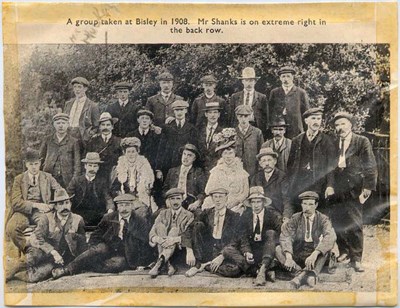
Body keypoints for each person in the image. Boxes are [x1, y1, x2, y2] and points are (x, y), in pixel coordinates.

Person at [52, 194, 152, 279]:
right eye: (121, 205)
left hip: (126, 252)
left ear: (132, 206)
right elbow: (96, 235)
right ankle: (66, 270)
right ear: (117, 206)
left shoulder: (140, 221)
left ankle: (84, 265)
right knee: (97, 250)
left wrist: (140, 261)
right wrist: (94, 248)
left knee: (117, 264)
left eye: (127, 205)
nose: (124, 209)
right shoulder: (108, 218)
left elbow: (144, 242)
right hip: (108, 246)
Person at [330, 112, 377, 272]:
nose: (340, 128)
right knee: (338, 221)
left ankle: (356, 258)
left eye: (343, 124)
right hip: (337, 188)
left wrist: (368, 187)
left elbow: (370, 165)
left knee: (355, 223)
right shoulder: (334, 142)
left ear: (350, 124)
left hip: (354, 189)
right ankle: (344, 252)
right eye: (337, 125)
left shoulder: (361, 141)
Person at [6, 189, 87, 282]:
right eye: (60, 204)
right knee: (33, 257)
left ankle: (20, 275)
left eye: (67, 203)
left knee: (35, 278)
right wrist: (53, 252)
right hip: (45, 252)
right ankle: (10, 272)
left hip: (64, 258)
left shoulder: (78, 220)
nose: (65, 207)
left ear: (70, 204)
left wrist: (74, 238)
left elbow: (83, 242)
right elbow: (38, 238)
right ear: (55, 206)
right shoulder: (47, 218)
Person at [275, 191, 336, 289]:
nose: (307, 208)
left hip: (314, 252)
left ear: (316, 205)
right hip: (298, 251)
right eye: (305, 204)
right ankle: (304, 274)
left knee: (326, 251)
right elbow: (286, 236)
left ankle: (300, 277)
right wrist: (289, 256)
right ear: (301, 205)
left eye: (311, 204)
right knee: (278, 249)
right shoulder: (295, 218)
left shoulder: (323, 219)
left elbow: (330, 237)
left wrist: (315, 254)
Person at [6, 149, 61, 253]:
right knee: (11, 228)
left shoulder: (48, 177)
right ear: (26, 164)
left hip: (42, 212)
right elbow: (16, 202)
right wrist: (36, 205)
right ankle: (28, 248)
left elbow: (60, 191)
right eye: (31, 164)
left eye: (36, 164)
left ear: (40, 163)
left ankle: (43, 254)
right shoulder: (19, 179)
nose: (34, 167)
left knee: (47, 224)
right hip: (22, 212)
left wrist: (52, 205)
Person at [185, 188, 247, 278]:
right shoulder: (206, 213)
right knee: (198, 225)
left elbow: (236, 240)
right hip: (207, 250)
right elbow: (188, 229)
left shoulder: (234, 216)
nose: (218, 200)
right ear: (212, 199)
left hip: (222, 250)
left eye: (221, 197)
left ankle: (204, 266)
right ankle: (199, 263)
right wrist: (189, 250)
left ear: (226, 198)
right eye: (215, 197)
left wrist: (222, 255)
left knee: (235, 271)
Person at [286, 107, 336, 217]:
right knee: (299, 214)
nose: (316, 122)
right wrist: (290, 184)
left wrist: (330, 185)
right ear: (306, 121)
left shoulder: (327, 141)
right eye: (313, 118)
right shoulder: (297, 140)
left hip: (319, 184)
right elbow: (290, 165)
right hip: (299, 184)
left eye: (319, 119)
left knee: (317, 215)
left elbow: (331, 166)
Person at [235, 187, 282, 285]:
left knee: (271, 233)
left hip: (267, 250)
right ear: (250, 204)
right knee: (230, 252)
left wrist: (273, 246)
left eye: (258, 202)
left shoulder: (272, 215)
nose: (256, 205)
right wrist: (247, 252)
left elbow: (279, 234)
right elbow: (242, 236)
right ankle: (264, 271)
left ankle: (262, 271)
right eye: (253, 202)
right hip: (252, 250)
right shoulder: (245, 216)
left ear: (263, 203)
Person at [148, 188, 195, 278]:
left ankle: (159, 263)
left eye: (178, 198)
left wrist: (173, 240)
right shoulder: (163, 213)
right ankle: (167, 263)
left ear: (182, 199)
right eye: (172, 199)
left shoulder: (189, 215)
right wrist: (159, 239)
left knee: (174, 230)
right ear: (168, 201)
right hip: (162, 245)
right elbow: (152, 232)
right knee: (160, 226)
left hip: (178, 249)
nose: (175, 201)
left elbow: (188, 235)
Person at [201, 128, 249, 214]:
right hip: (218, 201)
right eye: (225, 153)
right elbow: (208, 190)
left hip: (235, 203)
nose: (228, 156)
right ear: (221, 155)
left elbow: (245, 192)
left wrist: (235, 201)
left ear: (235, 154)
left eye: (230, 153)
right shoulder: (216, 170)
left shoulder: (241, 171)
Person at [67, 152, 113, 226]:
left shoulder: (102, 181)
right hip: (79, 213)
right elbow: (68, 196)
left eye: (95, 166)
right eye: (90, 165)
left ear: (98, 168)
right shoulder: (76, 180)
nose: (92, 169)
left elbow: (107, 197)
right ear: (85, 166)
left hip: (97, 214)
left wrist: (110, 209)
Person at [110, 137, 156, 212]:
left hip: (141, 200)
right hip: (123, 199)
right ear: (124, 153)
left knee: (141, 211)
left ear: (137, 152)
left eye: (133, 151)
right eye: (128, 152)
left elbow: (150, 188)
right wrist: (122, 197)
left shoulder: (145, 166)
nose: (131, 154)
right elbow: (114, 188)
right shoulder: (119, 167)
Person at [155, 100, 198, 179]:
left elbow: (193, 149)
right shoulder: (167, 127)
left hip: (184, 163)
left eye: (181, 110)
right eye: (177, 110)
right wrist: (159, 168)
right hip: (168, 164)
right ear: (173, 111)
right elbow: (161, 148)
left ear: (185, 110)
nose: (179, 112)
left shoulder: (191, 128)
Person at [40, 113, 81, 188]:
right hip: (49, 176)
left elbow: (77, 164)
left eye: (63, 123)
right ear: (54, 125)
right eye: (58, 123)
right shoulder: (48, 140)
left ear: (68, 124)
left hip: (67, 179)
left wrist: (74, 181)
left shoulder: (74, 141)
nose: (61, 125)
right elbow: (40, 159)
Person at [269, 66, 310, 138]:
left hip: (296, 131)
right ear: (280, 78)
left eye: (288, 76)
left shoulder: (301, 93)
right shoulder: (274, 92)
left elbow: (306, 114)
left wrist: (306, 132)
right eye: (283, 76)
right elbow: (270, 112)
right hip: (279, 131)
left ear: (293, 77)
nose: (286, 79)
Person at [163, 144, 206, 210]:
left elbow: (202, 192)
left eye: (189, 155)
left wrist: (197, 203)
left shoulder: (198, 172)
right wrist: (167, 200)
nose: (185, 157)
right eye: (184, 154)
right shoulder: (172, 171)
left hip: (190, 205)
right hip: (172, 204)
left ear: (194, 158)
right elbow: (165, 189)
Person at [229, 67, 269, 137]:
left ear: (255, 81)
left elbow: (266, 118)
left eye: (251, 80)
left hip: (255, 130)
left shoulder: (262, 97)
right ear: (242, 81)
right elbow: (231, 117)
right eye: (246, 80)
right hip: (238, 131)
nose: (249, 83)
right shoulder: (235, 97)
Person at [251, 147, 289, 218]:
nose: (267, 164)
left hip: (277, 214)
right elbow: (252, 199)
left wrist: (286, 217)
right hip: (259, 213)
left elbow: (287, 200)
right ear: (260, 163)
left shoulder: (282, 177)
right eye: (264, 161)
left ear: (275, 161)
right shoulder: (256, 178)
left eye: (269, 160)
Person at [86, 112, 122, 186]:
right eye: (103, 125)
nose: (105, 127)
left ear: (112, 127)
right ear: (99, 127)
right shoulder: (93, 141)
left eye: (108, 125)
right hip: (97, 176)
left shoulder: (119, 141)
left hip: (113, 177)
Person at [63, 77, 100, 145]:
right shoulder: (68, 104)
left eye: (79, 87)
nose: (77, 90)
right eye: (75, 87)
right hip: (67, 136)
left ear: (85, 89)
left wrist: (88, 135)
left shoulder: (92, 106)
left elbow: (96, 126)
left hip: (82, 138)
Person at [235, 105, 264, 178]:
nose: (243, 119)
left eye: (246, 116)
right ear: (237, 117)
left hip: (253, 171)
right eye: (240, 116)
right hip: (236, 170)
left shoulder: (257, 132)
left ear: (250, 116)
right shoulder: (232, 132)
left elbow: (261, 152)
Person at [197, 102, 224, 174]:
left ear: (219, 114)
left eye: (215, 112)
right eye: (210, 112)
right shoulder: (199, 131)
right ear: (206, 114)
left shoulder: (223, 132)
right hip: (200, 171)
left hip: (217, 170)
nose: (213, 115)